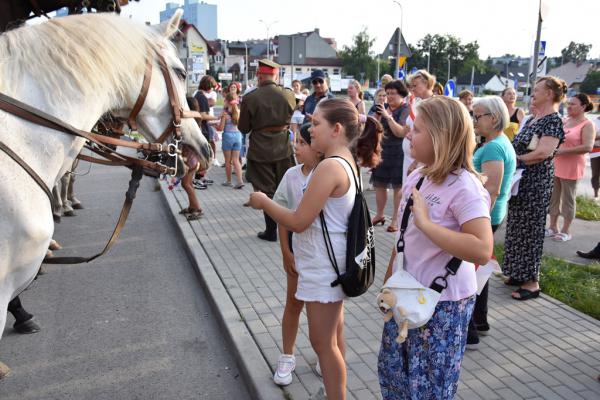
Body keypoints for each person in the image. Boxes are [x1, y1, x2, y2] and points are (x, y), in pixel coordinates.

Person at [248, 98, 383, 400]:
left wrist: (263, 202)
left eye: (317, 123)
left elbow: (298, 221)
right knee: (329, 340)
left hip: (325, 270)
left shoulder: (329, 167)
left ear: (336, 129)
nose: (311, 131)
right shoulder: (344, 160)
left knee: (324, 344)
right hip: (327, 265)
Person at [379, 96, 493, 399]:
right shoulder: (419, 174)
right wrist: (389, 281)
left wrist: (429, 224)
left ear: (441, 137)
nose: (408, 134)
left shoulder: (465, 186)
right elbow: (404, 236)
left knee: (429, 386)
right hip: (406, 293)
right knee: (396, 376)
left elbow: (482, 248)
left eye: (417, 130)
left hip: (443, 304)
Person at [503, 76, 566, 300]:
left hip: (535, 181)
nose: (533, 94)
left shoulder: (553, 120)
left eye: (537, 90)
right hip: (521, 180)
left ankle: (532, 282)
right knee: (518, 226)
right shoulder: (532, 119)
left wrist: (515, 161)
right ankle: (517, 272)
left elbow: (543, 153)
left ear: (549, 94)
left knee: (531, 229)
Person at [271, 123, 321, 386]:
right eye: (296, 142)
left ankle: (324, 355)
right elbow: (282, 217)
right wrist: (285, 252)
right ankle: (287, 356)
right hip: (297, 249)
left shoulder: (326, 174)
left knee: (323, 311)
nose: (296, 147)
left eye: (302, 143)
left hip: (322, 256)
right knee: (293, 304)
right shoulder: (291, 175)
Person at [467, 96, 516, 349]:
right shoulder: (497, 143)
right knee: (479, 269)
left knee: (469, 272)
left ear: (493, 118)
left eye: (478, 116)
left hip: (486, 214)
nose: (475, 121)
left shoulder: (494, 147)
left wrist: (480, 223)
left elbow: (492, 187)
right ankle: (480, 322)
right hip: (489, 214)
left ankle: (470, 331)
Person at [238, 59, 296, 242]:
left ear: (259, 76)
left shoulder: (250, 98)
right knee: (286, 189)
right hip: (283, 148)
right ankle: (290, 229)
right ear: (276, 75)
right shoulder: (288, 95)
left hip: (261, 150)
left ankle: (271, 231)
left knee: (266, 192)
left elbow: (244, 128)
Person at [546, 93, 595, 241]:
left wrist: (562, 151)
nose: (569, 106)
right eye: (568, 104)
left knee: (568, 199)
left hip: (572, 166)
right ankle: (552, 226)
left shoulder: (587, 124)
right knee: (553, 198)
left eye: (573, 104)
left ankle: (566, 230)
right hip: (556, 164)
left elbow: (587, 146)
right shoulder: (565, 120)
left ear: (583, 107)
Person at [370, 80, 410, 232]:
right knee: (379, 185)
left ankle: (395, 220)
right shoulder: (383, 108)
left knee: (397, 188)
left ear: (401, 94)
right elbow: (375, 130)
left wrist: (387, 116)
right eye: (387, 94)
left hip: (398, 153)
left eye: (393, 93)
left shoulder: (405, 109)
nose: (389, 96)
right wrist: (377, 118)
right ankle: (379, 215)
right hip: (382, 151)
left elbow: (400, 132)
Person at [405, 70, 436, 181]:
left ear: (426, 84)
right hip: (413, 155)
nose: (412, 89)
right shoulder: (419, 103)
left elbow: (432, 136)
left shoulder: (435, 105)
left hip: (425, 158)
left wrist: (416, 162)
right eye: (411, 86)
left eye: (415, 85)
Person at [216, 93, 245, 189]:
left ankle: (229, 181)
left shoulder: (225, 114)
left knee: (228, 161)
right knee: (236, 160)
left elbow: (220, 128)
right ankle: (240, 181)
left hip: (228, 136)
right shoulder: (239, 112)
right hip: (238, 136)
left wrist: (213, 125)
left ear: (227, 102)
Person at [290, 79, 307, 144]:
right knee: (294, 133)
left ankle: (302, 146)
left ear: (300, 86)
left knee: (302, 133)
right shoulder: (291, 95)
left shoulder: (304, 96)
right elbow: (291, 107)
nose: (296, 87)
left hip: (302, 116)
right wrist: (298, 105)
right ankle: (294, 149)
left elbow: (305, 108)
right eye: (294, 86)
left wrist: (300, 106)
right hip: (294, 116)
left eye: (297, 85)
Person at [591, 106, 600, 202]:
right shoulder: (594, 122)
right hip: (596, 149)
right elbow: (590, 138)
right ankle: (596, 195)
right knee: (596, 173)